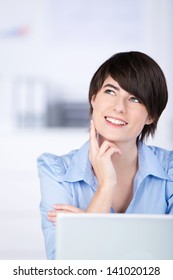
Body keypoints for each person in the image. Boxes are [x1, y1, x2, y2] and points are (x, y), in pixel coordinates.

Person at [37, 51, 173, 260]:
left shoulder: (169, 169)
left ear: (151, 116)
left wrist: (89, 225)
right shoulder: (56, 171)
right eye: (110, 92)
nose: (119, 107)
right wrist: (106, 186)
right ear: (93, 99)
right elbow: (66, 268)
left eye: (134, 98)